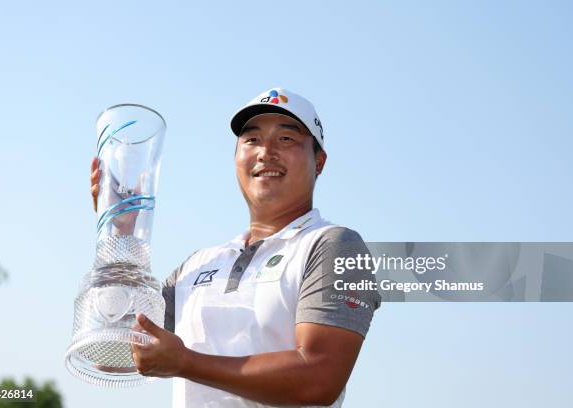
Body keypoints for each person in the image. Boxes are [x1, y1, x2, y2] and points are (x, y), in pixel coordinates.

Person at [90, 88, 381, 407]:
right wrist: (124, 232)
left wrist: (187, 362)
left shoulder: (336, 246)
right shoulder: (196, 265)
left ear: (319, 161)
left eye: (286, 139)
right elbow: (114, 353)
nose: (265, 152)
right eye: (252, 139)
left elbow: (320, 378)